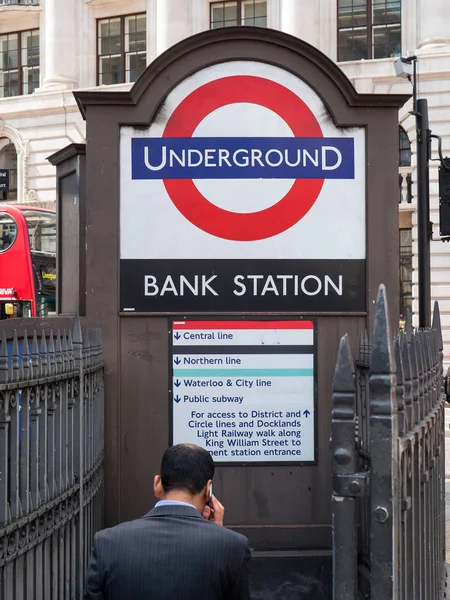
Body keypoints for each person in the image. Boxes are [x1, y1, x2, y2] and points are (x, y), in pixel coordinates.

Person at [84, 443, 251, 599]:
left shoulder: (107, 542)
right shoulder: (232, 547)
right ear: (208, 490)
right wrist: (218, 535)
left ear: (157, 484)